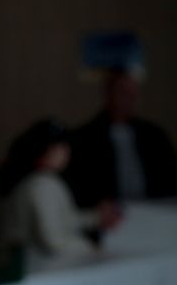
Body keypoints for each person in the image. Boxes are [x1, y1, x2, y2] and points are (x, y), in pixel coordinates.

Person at [0, 119, 119, 265]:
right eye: (60, 146)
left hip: (36, 267)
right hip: (36, 269)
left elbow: (64, 219)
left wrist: (95, 217)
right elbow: (53, 242)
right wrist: (91, 247)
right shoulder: (41, 184)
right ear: (44, 150)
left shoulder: (44, 180)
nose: (66, 151)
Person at [63, 66, 177, 209]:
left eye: (132, 93)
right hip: (109, 217)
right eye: (122, 92)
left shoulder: (155, 136)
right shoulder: (85, 138)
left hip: (153, 212)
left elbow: (170, 179)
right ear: (108, 93)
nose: (128, 99)